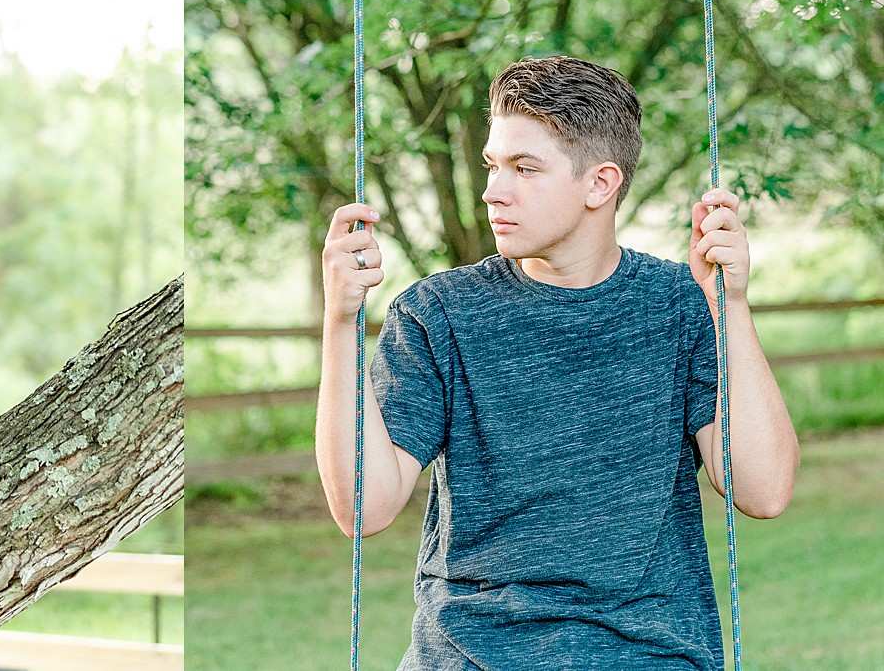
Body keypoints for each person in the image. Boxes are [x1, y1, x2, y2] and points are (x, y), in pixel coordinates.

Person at [316, 56, 799, 669]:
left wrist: (728, 305)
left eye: (524, 168)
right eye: (493, 165)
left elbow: (765, 490)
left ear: (600, 183)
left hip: (648, 657)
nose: (493, 189)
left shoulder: (680, 305)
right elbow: (363, 509)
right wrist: (339, 324)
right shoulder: (438, 313)